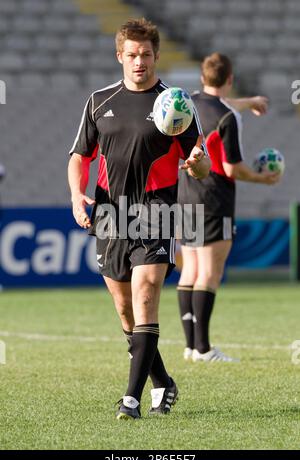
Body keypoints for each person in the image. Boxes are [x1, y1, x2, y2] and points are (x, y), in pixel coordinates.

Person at [68, 18, 210, 419]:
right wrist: (77, 195)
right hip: (110, 213)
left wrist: (198, 163)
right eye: (132, 55)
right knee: (125, 310)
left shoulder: (176, 104)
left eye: (146, 54)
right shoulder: (99, 101)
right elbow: (79, 156)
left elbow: (200, 163)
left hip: (156, 211)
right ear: (120, 56)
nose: (139, 61)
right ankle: (163, 381)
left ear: (156, 56)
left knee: (146, 294)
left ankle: (131, 400)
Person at [177, 52, 280, 363]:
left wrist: (248, 102)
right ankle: (204, 349)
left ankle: (191, 346)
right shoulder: (227, 117)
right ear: (230, 79)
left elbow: (221, 105)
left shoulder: (192, 102)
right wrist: (263, 179)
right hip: (214, 198)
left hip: (184, 195)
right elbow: (232, 167)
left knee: (191, 270)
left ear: (202, 78)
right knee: (210, 272)